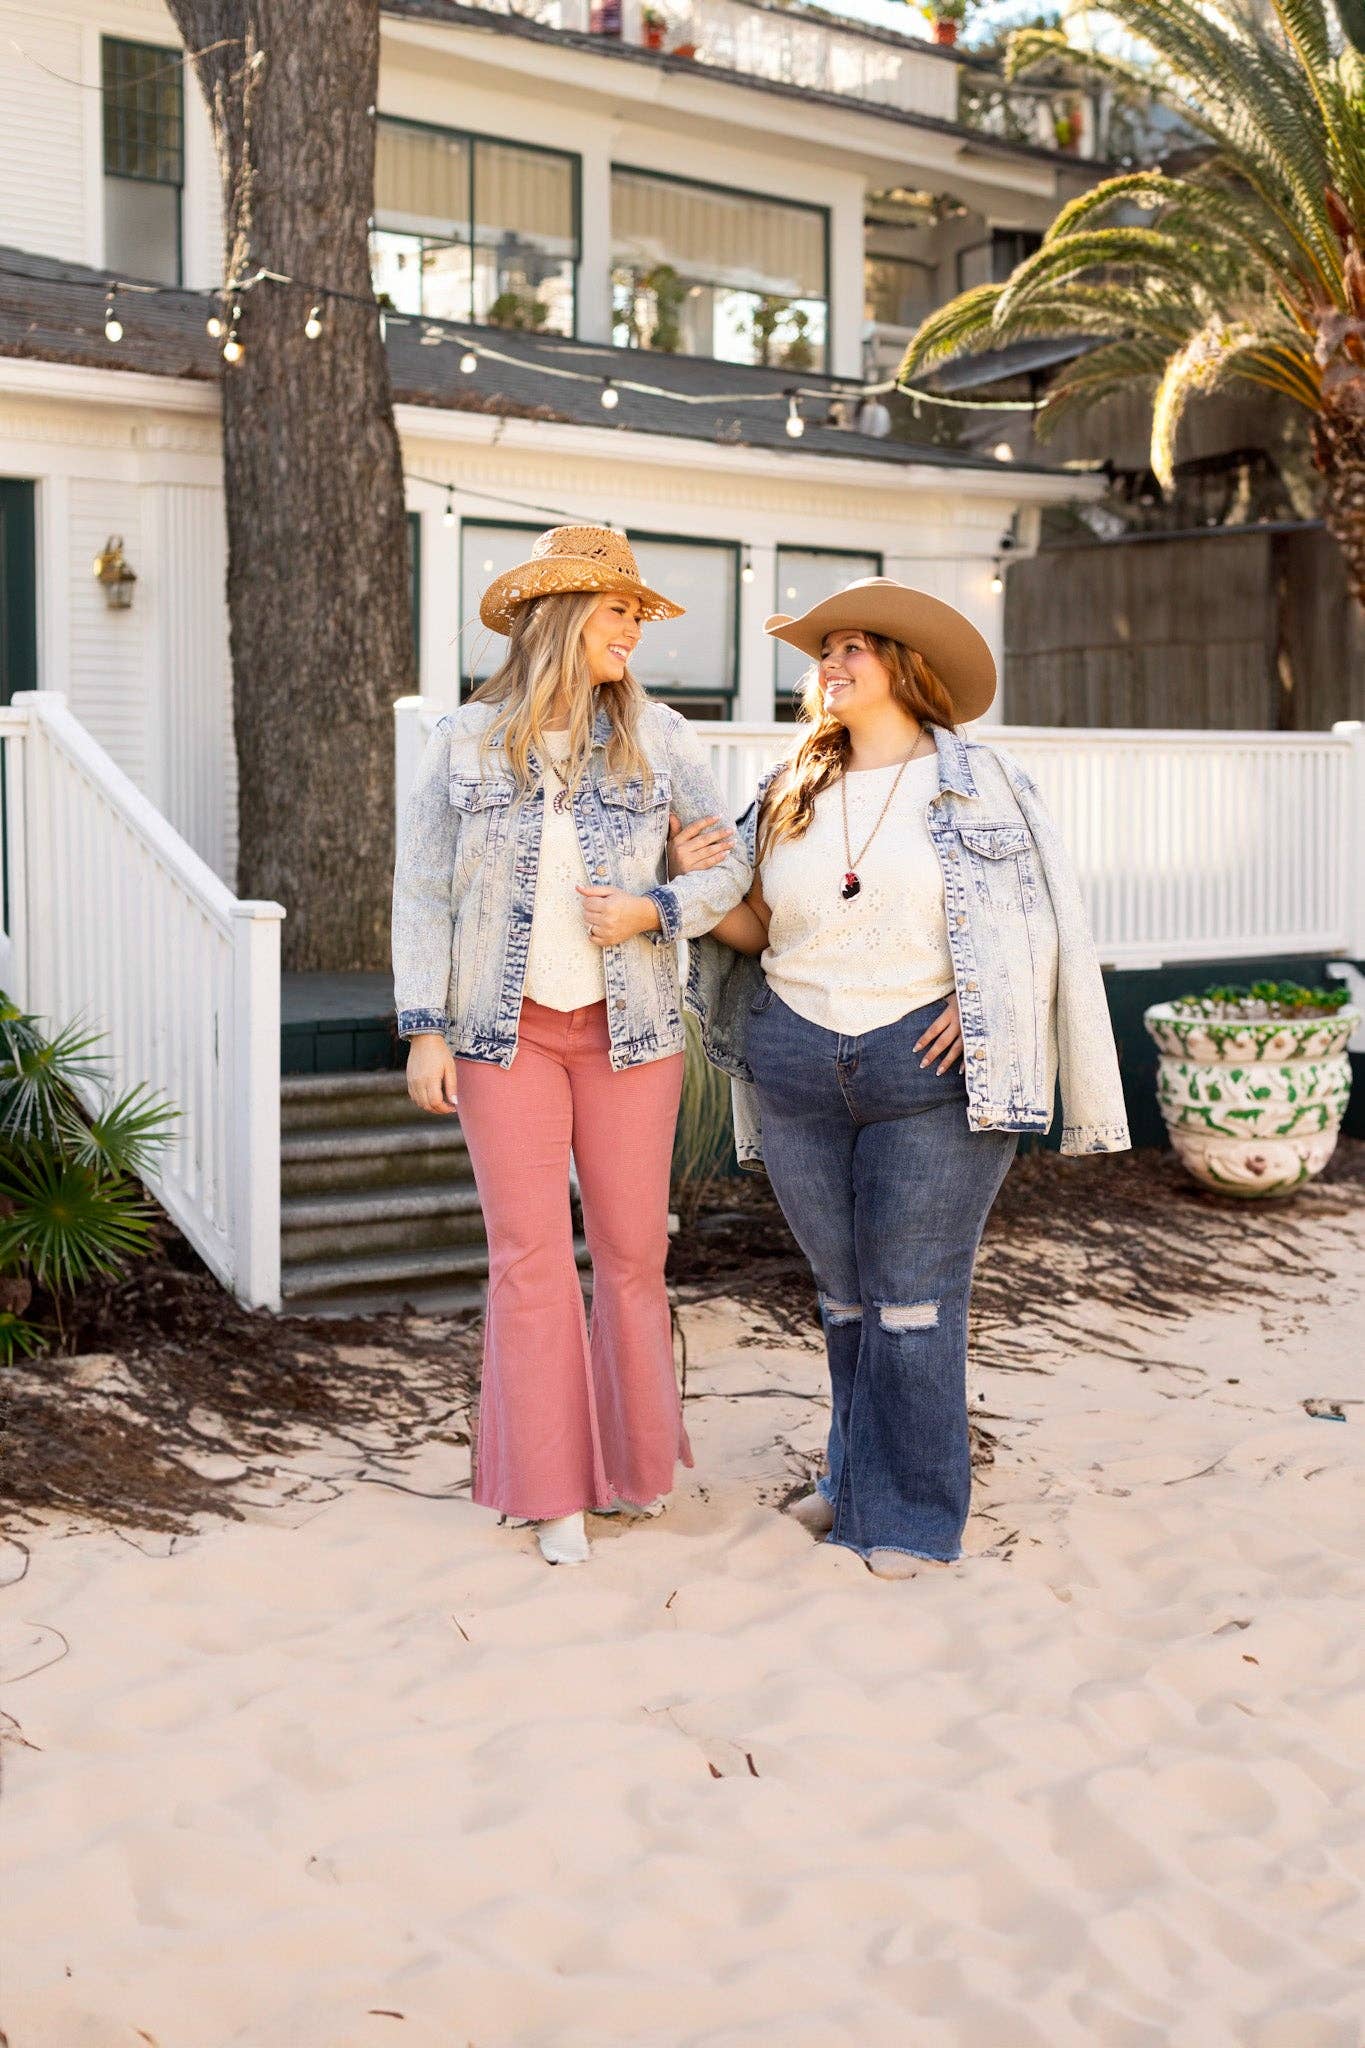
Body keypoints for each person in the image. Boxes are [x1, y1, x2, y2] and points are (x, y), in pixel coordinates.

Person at [679, 578, 1130, 1578]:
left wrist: (987, 1002)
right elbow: (763, 929)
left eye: (855, 648)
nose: (830, 665)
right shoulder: (791, 786)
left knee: (913, 1301)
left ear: (905, 665)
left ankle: (914, 1516)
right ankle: (855, 1479)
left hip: (925, 1069)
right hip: (795, 1057)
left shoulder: (982, 782)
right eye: (825, 650)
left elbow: (1042, 918)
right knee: (845, 1298)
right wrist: (702, 886)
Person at [392, 526, 750, 1566]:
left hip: (632, 1032)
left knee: (636, 1254)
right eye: (619, 607)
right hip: (503, 1034)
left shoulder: (662, 735)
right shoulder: (463, 739)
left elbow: (731, 865)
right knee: (531, 1259)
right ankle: (549, 1489)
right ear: (560, 612)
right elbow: (420, 888)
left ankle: (635, 1470)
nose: (635, 627)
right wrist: (425, 1027)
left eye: (639, 611)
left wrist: (654, 905)